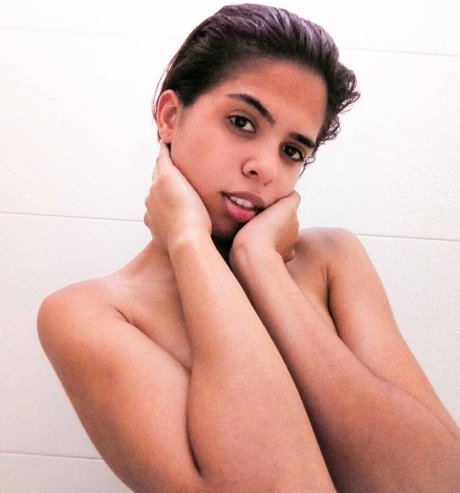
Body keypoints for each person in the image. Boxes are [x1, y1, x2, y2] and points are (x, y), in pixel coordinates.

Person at [37, 3, 460, 492]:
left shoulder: (331, 261)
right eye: (242, 122)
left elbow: (438, 481)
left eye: (293, 151)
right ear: (170, 116)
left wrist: (260, 265)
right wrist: (188, 240)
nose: (266, 167)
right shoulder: (91, 314)